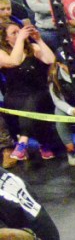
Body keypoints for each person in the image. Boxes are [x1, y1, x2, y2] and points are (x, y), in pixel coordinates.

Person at [0, 21, 57, 162]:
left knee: (33, 102)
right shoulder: (2, 53)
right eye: (14, 33)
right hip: (15, 93)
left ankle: (23, 141)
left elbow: (51, 59)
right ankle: (37, 143)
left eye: (20, 31)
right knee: (21, 105)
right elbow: (14, 61)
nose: (19, 34)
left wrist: (38, 39)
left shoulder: (33, 47)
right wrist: (20, 40)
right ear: (6, 38)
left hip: (38, 91)